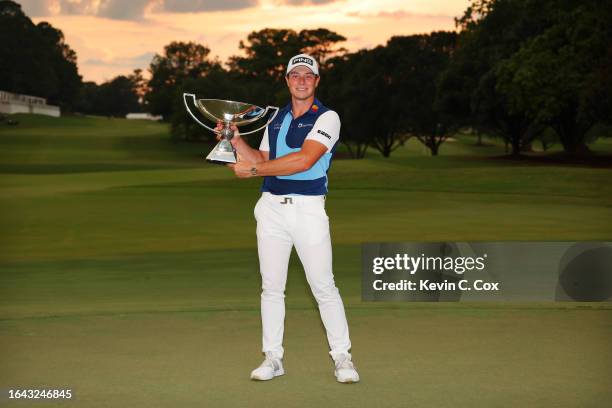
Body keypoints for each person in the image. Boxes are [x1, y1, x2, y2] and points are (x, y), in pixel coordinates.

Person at [216, 54, 359, 384]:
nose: (302, 80)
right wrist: (234, 140)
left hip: (308, 210)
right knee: (271, 287)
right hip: (271, 209)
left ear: (317, 81)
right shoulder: (275, 119)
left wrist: (252, 170)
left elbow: (304, 161)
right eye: (295, 74)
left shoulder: (327, 117)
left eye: (308, 75)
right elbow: (262, 159)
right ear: (286, 80)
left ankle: (343, 359)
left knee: (323, 286)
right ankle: (273, 358)